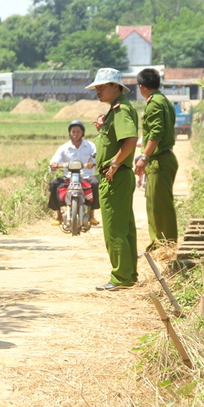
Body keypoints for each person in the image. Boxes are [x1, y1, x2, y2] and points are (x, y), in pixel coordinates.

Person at [86, 68, 139, 291]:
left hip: (115, 176)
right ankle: (128, 274)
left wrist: (115, 164)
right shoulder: (115, 111)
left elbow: (130, 140)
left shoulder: (120, 110)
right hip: (118, 176)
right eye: (96, 87)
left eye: (101, 86)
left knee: (114, 229)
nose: (98, 91)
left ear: (115, 87)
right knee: (124, 227)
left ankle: (121, 277)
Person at [134, 68, 179, 250]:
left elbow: (157, 133)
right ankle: (160, 244)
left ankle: (165, 246)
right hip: (164, 158)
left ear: (141, 87)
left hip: (159, 160)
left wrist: (143, 157)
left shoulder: (153, 104)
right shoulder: (164, 101)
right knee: (157, 203)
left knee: (158, 207)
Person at [48, 120, 99, 226]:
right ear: (69, 133)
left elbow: (96, 159)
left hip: (86, 176)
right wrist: (54, 166)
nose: (75, 134)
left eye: (78, 132)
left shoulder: (91, 146)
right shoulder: (63, 148)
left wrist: (94, 164)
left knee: (95, 183)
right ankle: (59, 215)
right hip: (68, 176)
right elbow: (54, 161)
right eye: (73, 132)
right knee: (53, 184)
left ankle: (92, 215)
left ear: (83, 133)